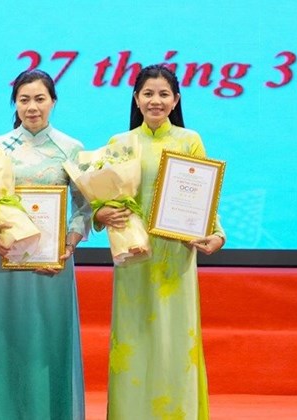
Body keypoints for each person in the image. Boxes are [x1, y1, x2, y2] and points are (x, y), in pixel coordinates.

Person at [95, 64, 226, 419]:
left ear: (176, 100)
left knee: (174, 340)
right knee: (134, 338)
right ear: (136, 99)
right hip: (134, 253)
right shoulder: (120, 144)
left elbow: (203, 195)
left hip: (176, 253)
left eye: (164, 94)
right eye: (148, 93)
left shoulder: (189, 140)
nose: (156, 100)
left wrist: (217, 233)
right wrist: (99, 214)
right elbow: (104, 197)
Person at [0, 69, 92, 420]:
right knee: (5, 340)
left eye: (40, 99)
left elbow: (84, 206)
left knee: (49, 341)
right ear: (15, 104)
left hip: (53, 261)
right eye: (24, 99)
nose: (32, 107)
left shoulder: (71, 148)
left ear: (53, 101)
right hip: (5, 258)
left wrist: (70, 242)